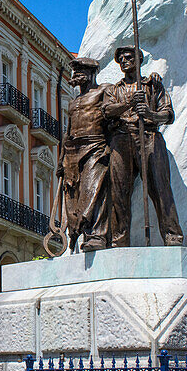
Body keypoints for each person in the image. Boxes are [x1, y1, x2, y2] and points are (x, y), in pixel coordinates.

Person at [55, 58, 134, 251]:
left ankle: (97, 236)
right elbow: (68, 130)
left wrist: (129, 103)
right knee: (74, 196)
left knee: (95, 191)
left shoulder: (104, 90)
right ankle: (80, 234)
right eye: (76, 71)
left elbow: (111, 111)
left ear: (92, 73)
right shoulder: (74, 102)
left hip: (95, 145)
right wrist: (61, 158)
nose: (77, 74)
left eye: (82, 70)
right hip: (73, 150)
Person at [109, 46, 184, 246]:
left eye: (129, 57)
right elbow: (107, 111)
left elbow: (168, 115)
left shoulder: (152, 85)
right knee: (119, 191)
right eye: (121, 59)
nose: (124, 61)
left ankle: (172, 235)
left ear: (139, 60)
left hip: (149, 136)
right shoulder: (114, 89)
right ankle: (119, 240)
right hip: (122, 138)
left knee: (160, 187)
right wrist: (128, 104)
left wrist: (150, 114)